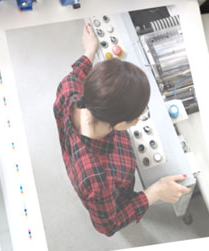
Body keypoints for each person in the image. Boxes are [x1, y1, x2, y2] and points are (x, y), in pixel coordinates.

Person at [53, 23, 191, 237]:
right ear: (118, 126)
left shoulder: (68, 88)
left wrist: (90, 51)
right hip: (108, 191)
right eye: (138, 115)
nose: (141, 115)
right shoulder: (97, 179)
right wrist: (155, 192)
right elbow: (108, 225)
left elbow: (77, 74)